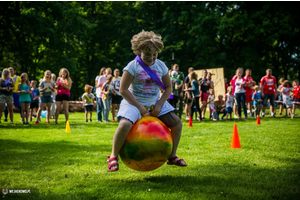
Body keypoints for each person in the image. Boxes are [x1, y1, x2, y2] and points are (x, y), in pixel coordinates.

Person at [108, 30, 187, 172]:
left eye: (154, 54)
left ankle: (172, 156)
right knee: (125, 124)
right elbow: (123, 90)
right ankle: (113, 156)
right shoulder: (132, 66)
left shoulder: (161, 65)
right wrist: (138, 106)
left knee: (177, 124)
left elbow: (168, 88)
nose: (151, 58)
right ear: (139, 51)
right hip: (133, 102)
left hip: (155, 102)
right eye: (147, 54)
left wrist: (159, 104)